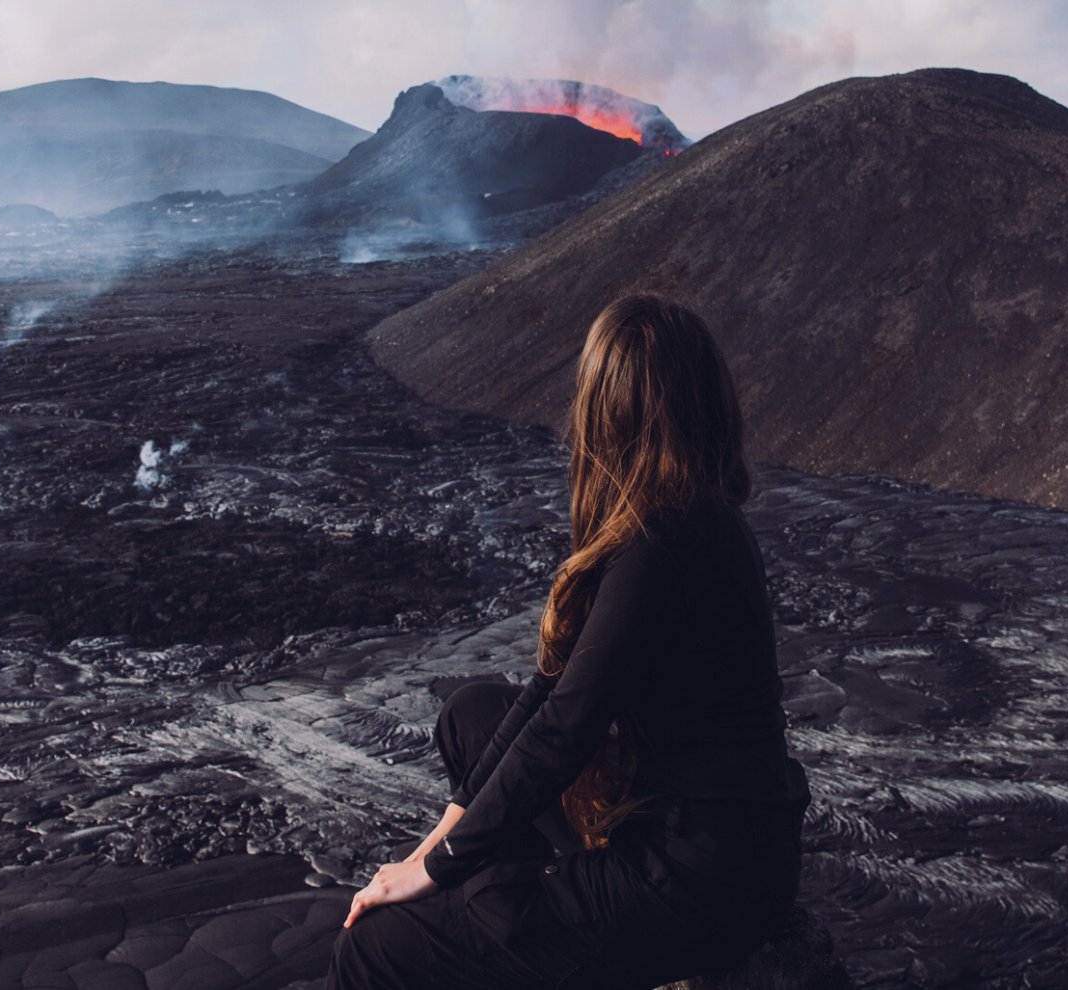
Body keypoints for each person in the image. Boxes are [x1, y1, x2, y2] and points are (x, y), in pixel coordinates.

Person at [327, 292, 812, 989]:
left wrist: (432, 875)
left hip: (696, 880)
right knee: (474, 714)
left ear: (607, 417)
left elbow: (564, 730)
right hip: (708, 844)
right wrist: (436, 849)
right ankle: (515, 926)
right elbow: (548, 694)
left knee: (373, 950)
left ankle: (523, 929)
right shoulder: (683, 521)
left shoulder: (664, 544)